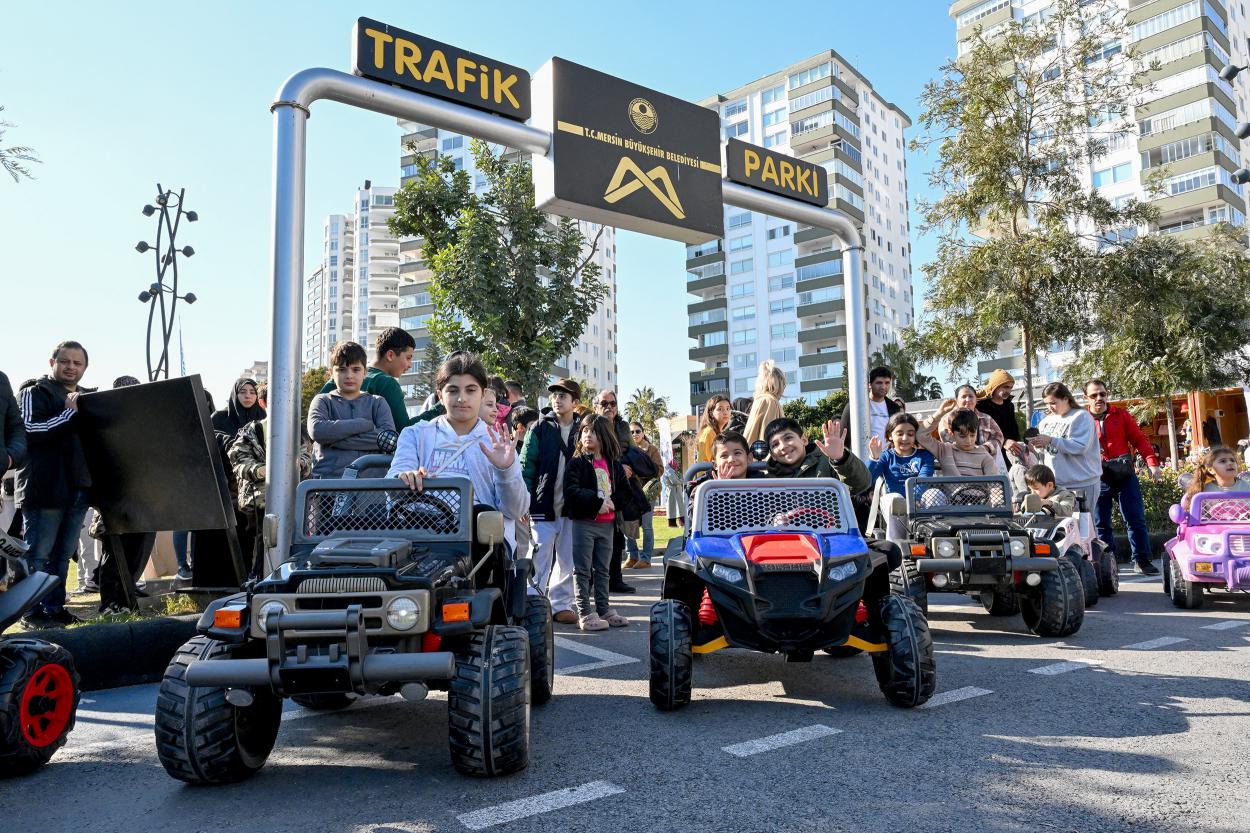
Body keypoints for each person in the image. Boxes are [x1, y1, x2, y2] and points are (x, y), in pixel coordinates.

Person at [388, 352, 528, 545]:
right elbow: (394, 482)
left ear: (482, 394)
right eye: (453, 391)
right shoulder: (415, 434)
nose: (462, 398)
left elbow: (516, 510)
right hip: (421, 534)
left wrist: (506, 470)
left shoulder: (498, 444)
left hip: (480, 544)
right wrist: (404, 476)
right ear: (440, 395)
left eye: (471, 390)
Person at [17, 341, 93, 626]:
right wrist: (68, 414)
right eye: (65, 361)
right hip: (44, 489)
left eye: (77, 363)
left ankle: (54, 609)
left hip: (78, 489)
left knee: (61, 557)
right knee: (38, 555)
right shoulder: (33, 392)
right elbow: (29, 430)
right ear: (53, 363)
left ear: (85, 367)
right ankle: (30, 612)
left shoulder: (86, 397)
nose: (71, 367)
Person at [1083, 378, 1162, 577]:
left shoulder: (1121, 415)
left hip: (1125, 475)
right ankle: (1108, 564)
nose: (1099, 398)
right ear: (1086, 398)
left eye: (1102, 394)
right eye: (1094, 395)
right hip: (1098, 477)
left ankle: (1142, 560)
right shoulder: (1082, 419)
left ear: (1107, 394)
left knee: (1135, 518)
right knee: (1101, 523)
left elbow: (1139, 439)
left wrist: (1152, 464)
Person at [520, 378, 583, 624]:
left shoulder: (584, 429)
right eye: (554, 395)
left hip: (572, 507)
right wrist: (524, 500)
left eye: (563, 395)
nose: (557, 399)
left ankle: (560, 605)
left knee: (567, 559)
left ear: (575, 402)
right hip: (542, 504)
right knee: (539, 555)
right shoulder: (538, 428)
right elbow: (526, 466)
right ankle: (532, 603)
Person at [563, 414, 631, 631]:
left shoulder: (614, 465)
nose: (588, 435)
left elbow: (625, 491)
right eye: (584, 431)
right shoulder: (577, 463)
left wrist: (613, 503)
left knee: (603, 570)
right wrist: (596, 503)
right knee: (582, 570)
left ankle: (604, 609)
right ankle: (584, 613)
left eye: (593, 431)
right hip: (584, 523)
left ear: (604, 436)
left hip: (607, 525)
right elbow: (571, 491)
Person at [228, 413, 314, 576]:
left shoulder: (298, 430)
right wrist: (259, 470)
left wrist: (298, 464)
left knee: (293, 540)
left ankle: (290, 576)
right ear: (263, 403)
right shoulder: (252, 430)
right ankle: (258, 578)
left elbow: (307, 457)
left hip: (292, 498)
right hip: (260, 500)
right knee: (263, 542)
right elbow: (238, 458)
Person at [307, 341, 396, 479]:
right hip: (328, 485)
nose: (349, 375)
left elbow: (389, 440)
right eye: (342, 369)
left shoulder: (378, 403)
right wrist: (364, 424)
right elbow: (317, 430)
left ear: (365, 372)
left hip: (373, 486)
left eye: (356, 369)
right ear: (331, 373)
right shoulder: (322, 401)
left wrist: (333, 440)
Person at [1029, 382, 1102, 540]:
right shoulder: (1046, 421)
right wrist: (1037, 445)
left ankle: (1091, 554)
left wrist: (1051, 440)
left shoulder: (1081, 416)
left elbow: (1080, 446)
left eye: (1053, 403)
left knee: (1084, 529)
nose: (1050, 407)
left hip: (1082, 483)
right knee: (1060, 529)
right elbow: (1045, 452)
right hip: (1056, 485)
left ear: (1066, 398)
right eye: (1047, 404)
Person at [319, 327, 416, 431]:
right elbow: (404, 430)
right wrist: (430, 413)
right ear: (390, 355)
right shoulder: (387, 384)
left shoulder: (338, 378)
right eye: (408, 358)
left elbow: (315, 420)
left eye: (356, 370)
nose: (410, 365)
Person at [594, 390, 643, 594]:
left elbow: (634, 452)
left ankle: (615, 579)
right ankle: (593, 581)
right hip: (597, 485)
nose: (609, 407)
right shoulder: (591, 425)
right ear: (596, 406)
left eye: (612, 403)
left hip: (619, 487)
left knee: (617, 535)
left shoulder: (623, 426)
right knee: (595, 537)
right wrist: (617, 465)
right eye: (604, 403)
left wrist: (628, 466)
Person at [765, 417, 872, 494]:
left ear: (804, 440)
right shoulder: (768, 481)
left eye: (788, 438)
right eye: (775, 444)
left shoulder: (827, 462)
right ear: (772, 455)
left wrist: (840, 459)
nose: (783, 446)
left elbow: (861, 484)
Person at [866, 413, 936, 498]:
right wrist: (873, 458)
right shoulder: (886, 456)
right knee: (896, 497)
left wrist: (914, 500)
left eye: (910, 434)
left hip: (918, 501)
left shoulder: (925, 456)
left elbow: (923, 481)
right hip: (895, 502)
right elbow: (867, 481)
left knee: (935, 494)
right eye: (900, 434)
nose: (905, 438)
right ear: (890, 435)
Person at [624, 421, 664, 568]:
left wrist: (641, 471)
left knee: (647, 526)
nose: (635, 434)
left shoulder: (651, 449)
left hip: (647, 493)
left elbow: (660, 469)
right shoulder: (625, 449)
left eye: (637, 431)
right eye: (631, 432)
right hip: (630, 492)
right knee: (628, 525)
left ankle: (646, 558)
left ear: (643, 433)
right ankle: (632, 556)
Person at [918, 408, 998, 477]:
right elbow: (921, 435)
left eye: (972, 435)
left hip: (980, 491)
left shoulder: (983, 454)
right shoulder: (943, 450)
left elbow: (994, 483)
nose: (968, 441)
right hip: (951, 491)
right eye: (962, 436)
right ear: (951, 433)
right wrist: (939, 413)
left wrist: (995, 491)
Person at [840, 366, 901, 452]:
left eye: (887, 383)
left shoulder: (894, 408)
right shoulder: (854, 406)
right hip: (860, 457)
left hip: (886, 457)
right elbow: (843, 436)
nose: (883, 387)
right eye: (879, 383)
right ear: (869, 385)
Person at [977, 369, 1022, 467]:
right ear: (995, 386)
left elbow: (1013, 429)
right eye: (1005, 387)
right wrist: (1004, 441)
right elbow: (982, 433)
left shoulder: (1009, 405)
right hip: (989, 452)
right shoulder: (981, 406)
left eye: (1010, 388)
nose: (1008, 391)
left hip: (1009, 452)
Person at [1182, 445, 1249, 509]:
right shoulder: (1204, 490)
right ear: (1210, 470)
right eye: (1223, 461)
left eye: (1232, 460)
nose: (1230, 463)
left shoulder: (1247, 487)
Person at [743, 360, 785, 446]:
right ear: (778, 383)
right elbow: (767, 435)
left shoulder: (761, 400)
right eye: (783, 383)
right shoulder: (769, 401)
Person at [211, 377, 265, 442]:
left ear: (257, 395)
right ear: (235, 395)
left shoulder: (265, 418)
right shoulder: (219, 418)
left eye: (252, 392)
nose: (247, 396)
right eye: (242, 392)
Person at [697, 394, 732, 462]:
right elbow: (704, 462)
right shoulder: (708, 432)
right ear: (711, 413)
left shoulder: (720, 432)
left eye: (728, 408)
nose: (725, 412)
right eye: (720, 409)